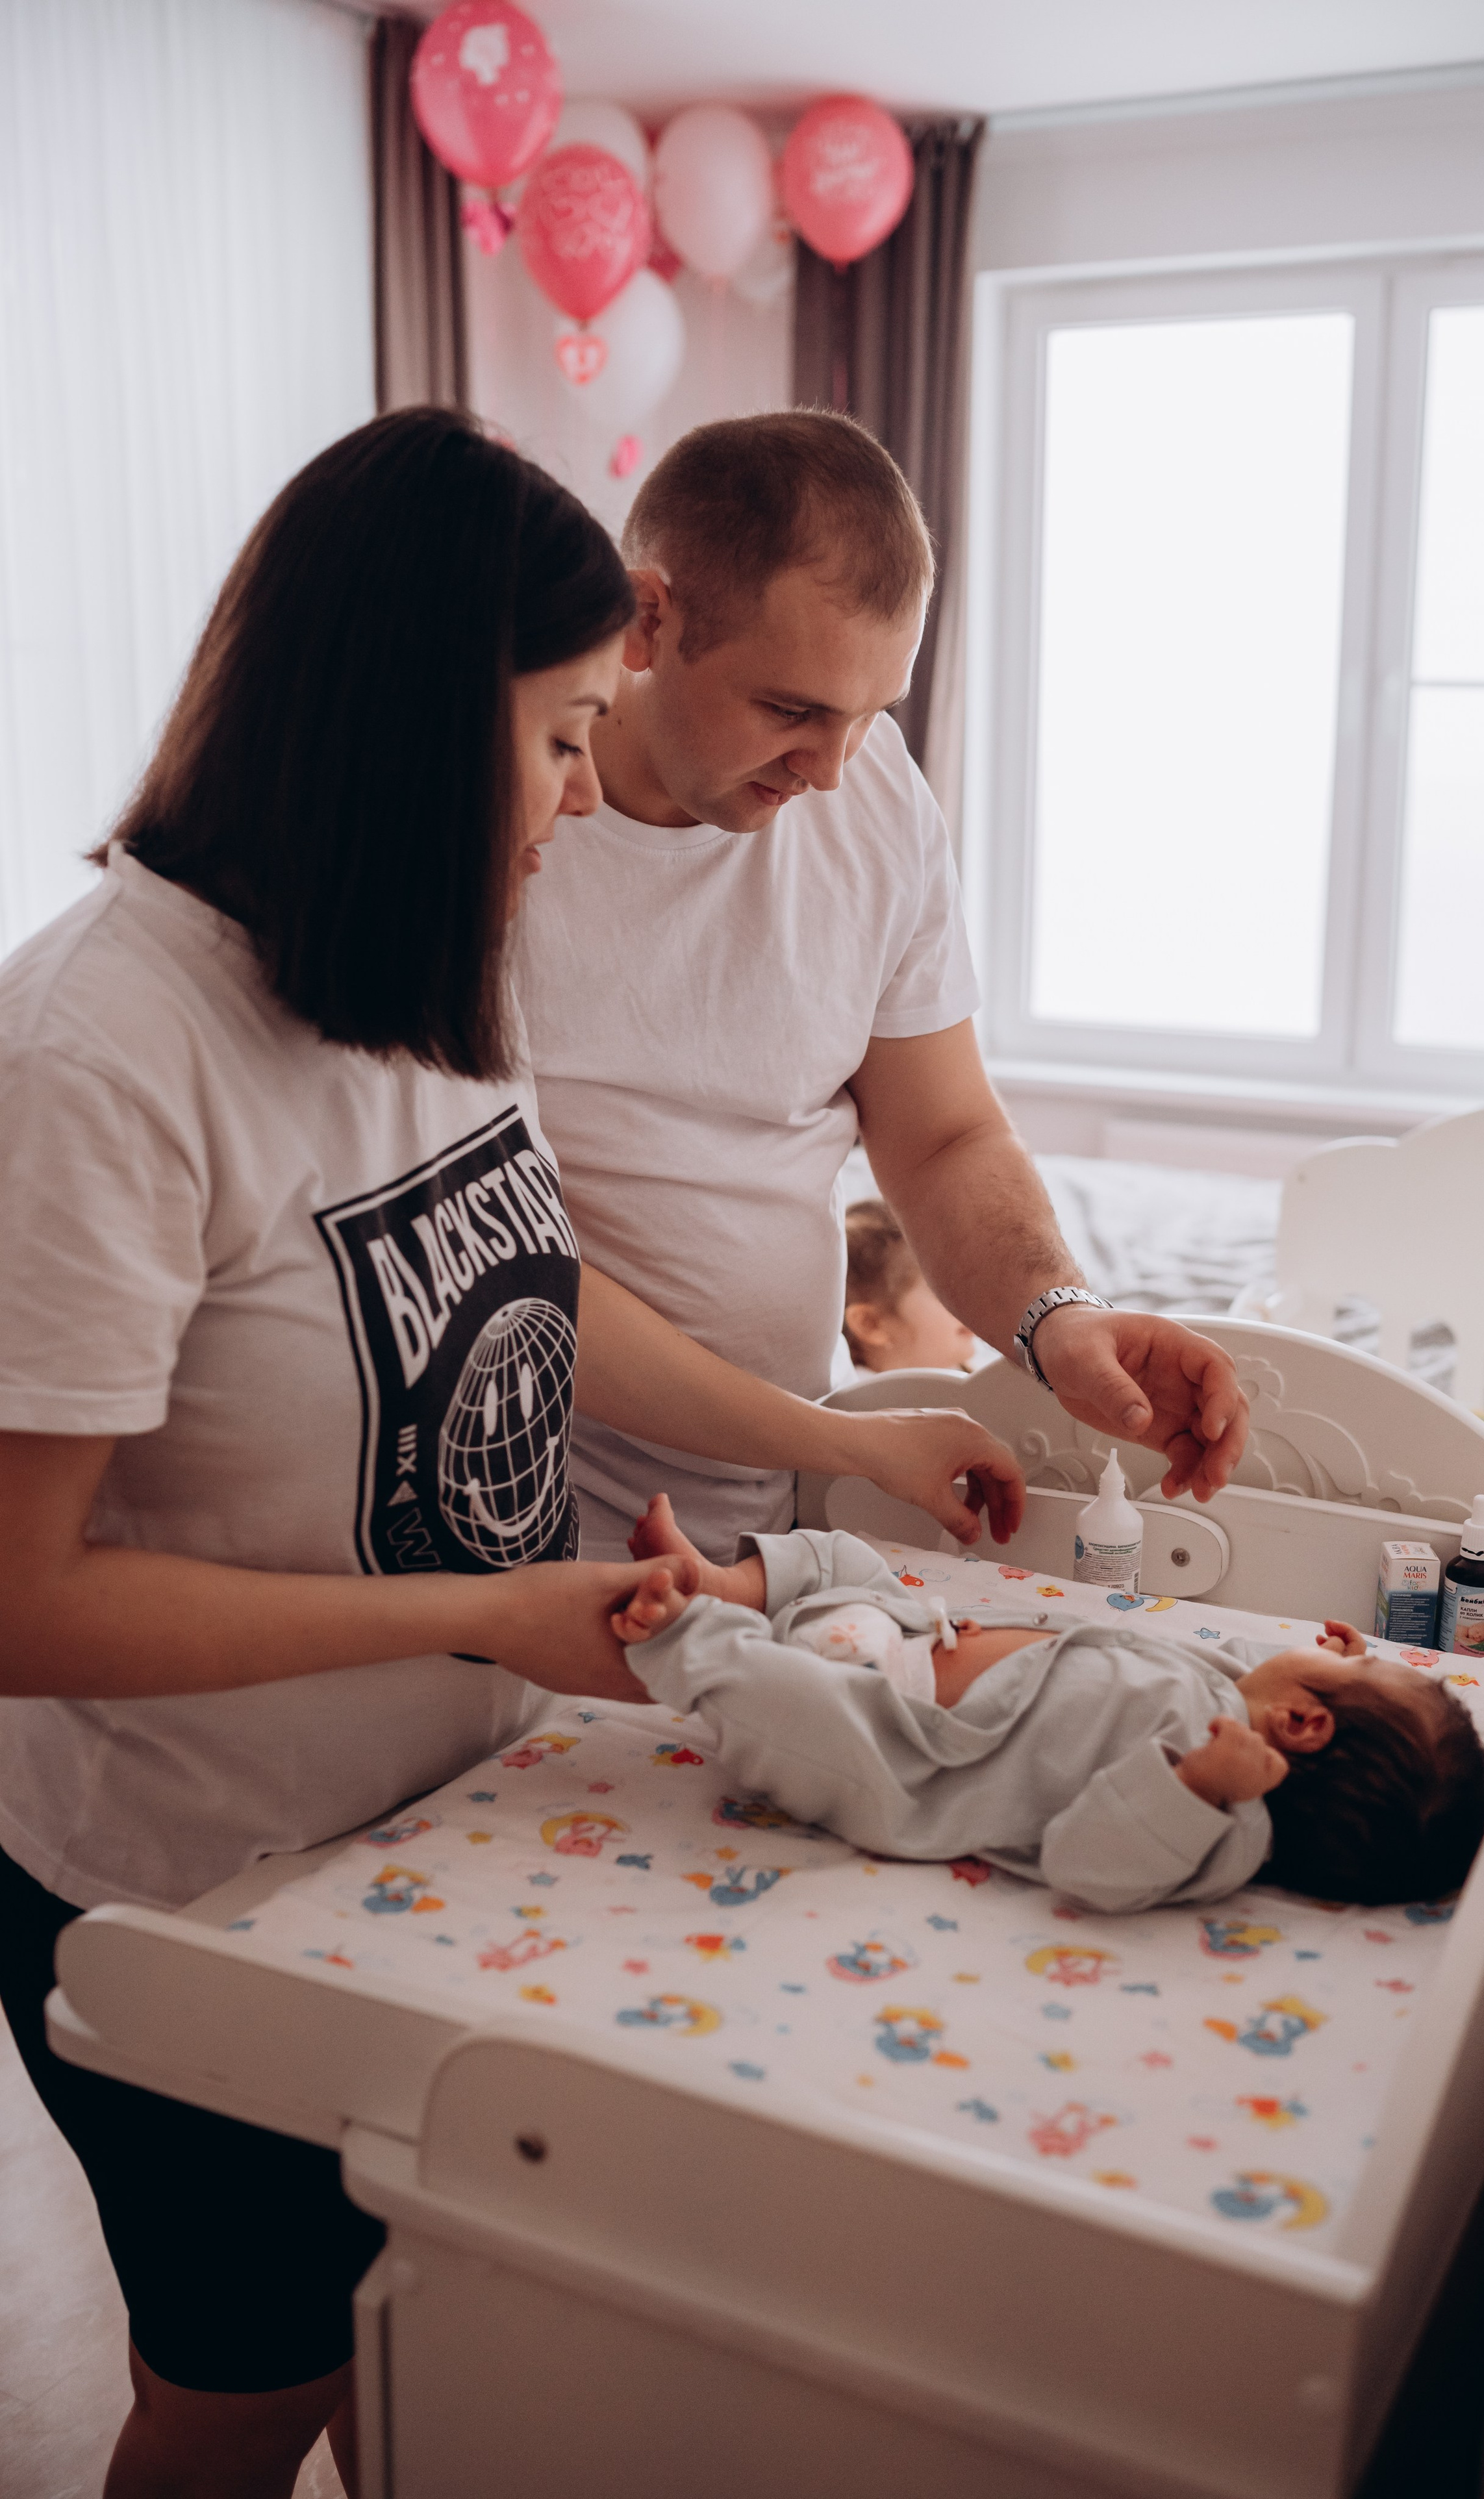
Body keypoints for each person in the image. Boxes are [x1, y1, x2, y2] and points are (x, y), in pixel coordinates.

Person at [0, 410, 1022, 2499]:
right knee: (246, 2400)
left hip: (429, 1830)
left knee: (446, 2354)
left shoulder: (419, 969)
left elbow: (529, 1287)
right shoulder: (95, 1058)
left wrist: (839, 1448)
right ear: (406, 721)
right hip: (196, 1878)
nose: (582, 792)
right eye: (560, 736)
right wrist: (488, 1610)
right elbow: (22, 1602)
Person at [515, 410, 1252, 1565]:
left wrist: (1057, 1319)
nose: (830, 770)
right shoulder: (508, 831)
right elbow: (503, 1263)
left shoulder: (874, 795)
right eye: (792, 710)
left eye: (870, 715)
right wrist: (848, 1442)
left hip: (765, 1510)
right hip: (528, 1518)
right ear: (648, 619)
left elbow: (944, 1137)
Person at [613, 1501, 1484, 1913]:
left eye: (1361, 1668)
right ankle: (722, 1584)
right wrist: (1326, 1665)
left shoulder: (1223, 1828)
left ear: (1304, 1723)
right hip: (909, 1633)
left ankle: (689, 1638)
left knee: (794, 1709)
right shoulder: (1236, 1689)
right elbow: (1245, 1664)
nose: (1345, 1649)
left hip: (901, 1743)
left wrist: (1195, 1787)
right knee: (845, 1558)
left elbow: (1089, 1863)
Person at [842, 1196, 976, 1375]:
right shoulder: (855, 1392)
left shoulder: (974, 1381)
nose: (972, 1302)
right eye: (943, 1292)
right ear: (871, 1324)